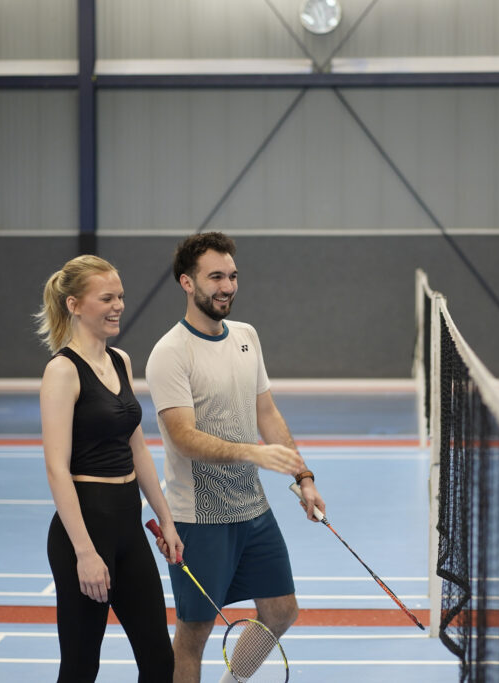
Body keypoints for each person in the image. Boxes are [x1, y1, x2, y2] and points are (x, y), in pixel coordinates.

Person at [145, 232, 325, 683]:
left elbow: (267, 411)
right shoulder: (170, 353)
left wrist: (303, 476)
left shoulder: (246, 337)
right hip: (198, 518)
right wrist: (251, 453)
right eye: (215, 277)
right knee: (194, 634)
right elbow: (183, 437)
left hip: (253, 510)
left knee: (281, 611)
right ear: (187, 282)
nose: (227, 286)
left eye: (232, 276)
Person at [36, 254, 183, 682]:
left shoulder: (120, 360)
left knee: (159, 661)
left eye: (120, 296)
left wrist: (166, 518)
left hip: (128, 526)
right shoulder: (62, 371)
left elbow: (137, 447)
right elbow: (56, 469)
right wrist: (84, 553)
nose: (119, 305)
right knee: (82, 667)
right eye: (107, 298)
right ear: (75, 305)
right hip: (84, 530)